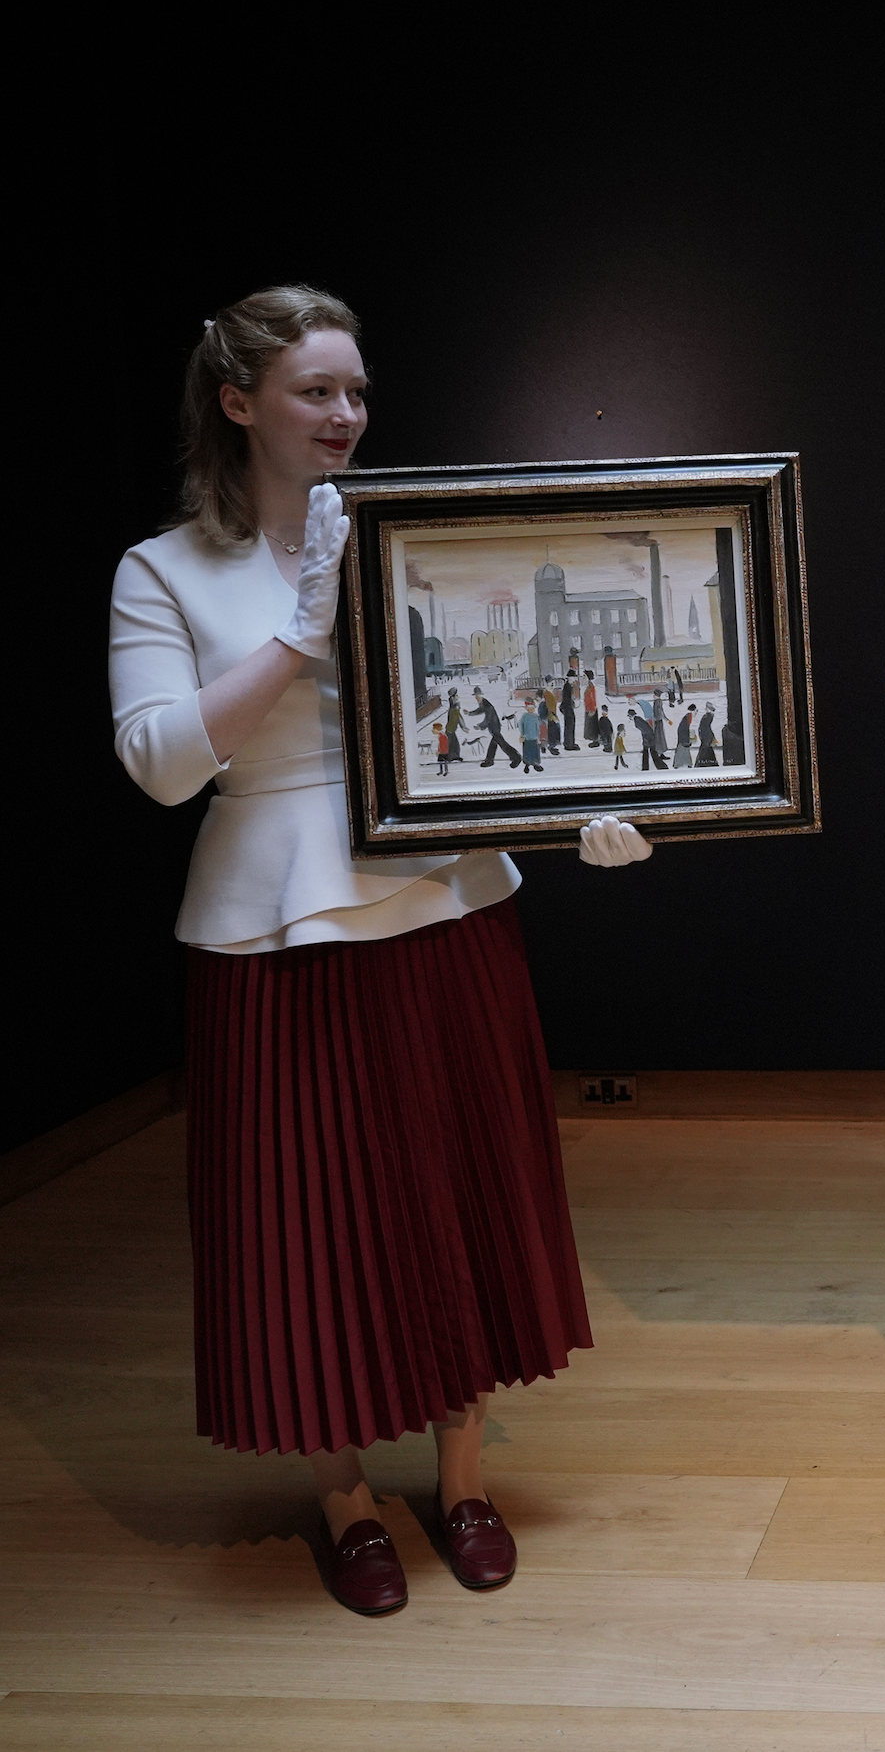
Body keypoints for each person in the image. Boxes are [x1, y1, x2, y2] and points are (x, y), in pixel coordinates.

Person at [108, 286, 656, 1618]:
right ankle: (345, 1498)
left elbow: (492, 718)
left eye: (357, 390)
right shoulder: (161, 569)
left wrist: (587, 805)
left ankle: (463, 1480)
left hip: (445, 908)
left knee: (456, 1185)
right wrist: (297, 634)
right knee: (305, 1218)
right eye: (317, 390)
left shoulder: (419, 537)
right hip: (273, 929)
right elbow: (162, 765)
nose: (346, 413)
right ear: (238, 402)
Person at [472, 686, 518, 769]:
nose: (476, 698)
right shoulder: (484, 703)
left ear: (480, 695)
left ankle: (516, 758)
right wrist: (470, 713)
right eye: (475, 696)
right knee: (494, 744)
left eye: (477, 696)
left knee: (503, 744)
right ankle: (490, 760)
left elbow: (488, 719)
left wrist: (480, 726)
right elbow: (480, 710)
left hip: (495, 728)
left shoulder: (487, 706)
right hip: (493, 728)